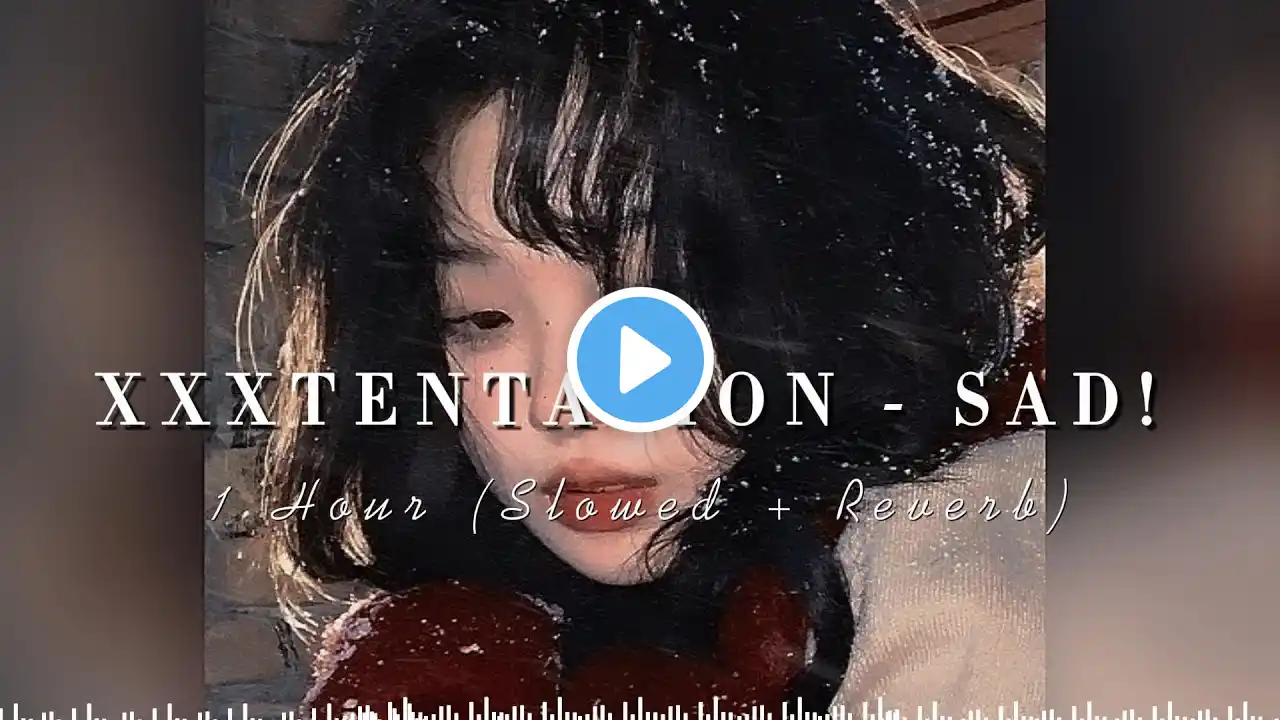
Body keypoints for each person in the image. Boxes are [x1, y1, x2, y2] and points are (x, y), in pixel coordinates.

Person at [240, 0, 1046, 714]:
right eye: (480, 317)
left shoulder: (978, 586)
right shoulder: (465, 659)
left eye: (652, 298)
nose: (560, 403)